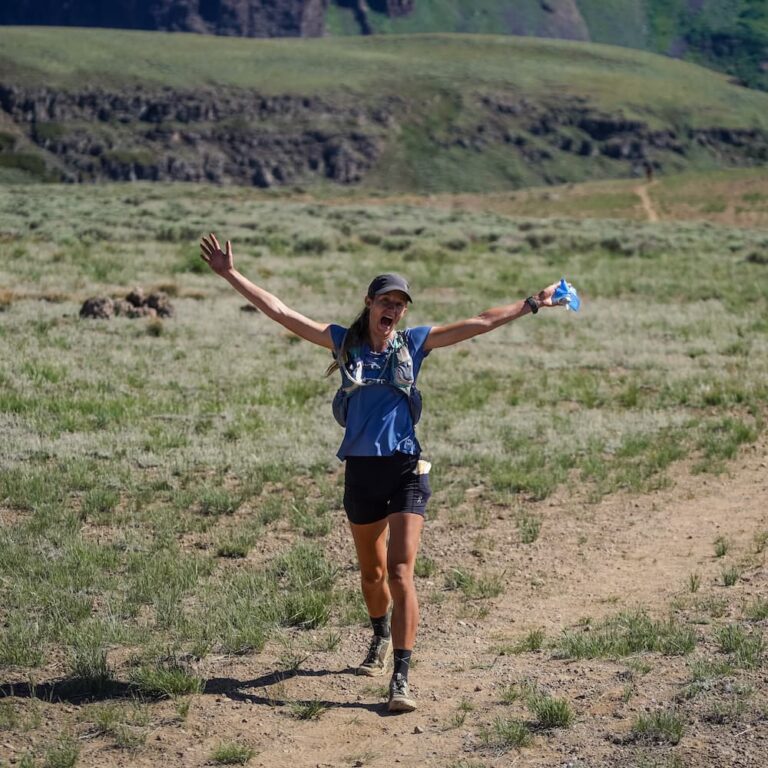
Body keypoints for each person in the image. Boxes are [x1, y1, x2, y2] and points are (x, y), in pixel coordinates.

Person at [199, 233, 564, 713]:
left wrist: (531, 304)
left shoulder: (413, 343)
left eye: (400, 304)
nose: (392, 309)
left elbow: (478, 323)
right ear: (369, 304)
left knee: (399, 571)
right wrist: (230, 275)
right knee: (372, 576)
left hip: (408, 469)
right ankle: (377, 632)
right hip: (361, 474)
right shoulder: (343, 342)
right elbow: (283, 313)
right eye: (385, 301)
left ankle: (401, 677)